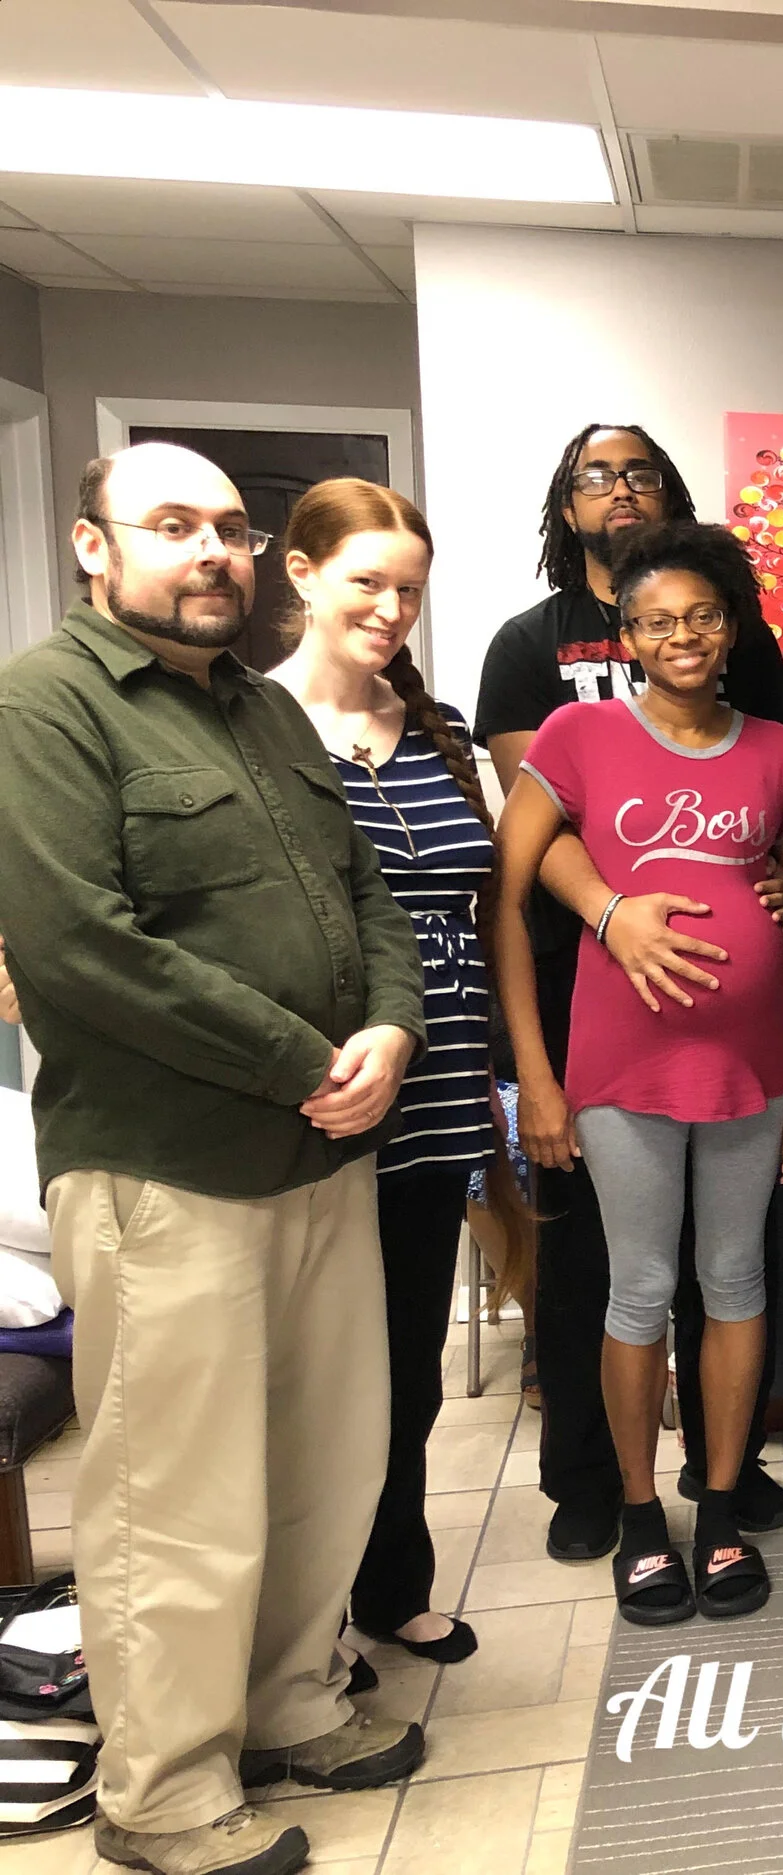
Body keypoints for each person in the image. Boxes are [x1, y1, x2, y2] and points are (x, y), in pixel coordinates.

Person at [0, 443, 429, 1875]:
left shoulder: (259, 710)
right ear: (90, 543)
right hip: (166, 1167)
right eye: (173, 525)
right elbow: (78, 948)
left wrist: (387, 1023)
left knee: (324, 1452)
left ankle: (290, 1699)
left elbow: (364, 888)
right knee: (173, 1491)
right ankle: (167, 1785)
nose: (213, 553)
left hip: (322, 1156)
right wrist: (305, 1060)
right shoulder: (43, 706)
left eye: (232, 529)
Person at [475, 422, 783, 1563]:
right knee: (615, 1279)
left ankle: (720, 1494)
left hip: (746, 1058)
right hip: (601, 1026)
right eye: (595, 477)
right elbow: (521, 867)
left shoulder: (757, 703)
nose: (683, 635)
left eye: (639, 472)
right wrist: (609, 922)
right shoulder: (542, 667)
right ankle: (609, 1497)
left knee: (733, 1277)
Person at [268, 479, 527, 1670]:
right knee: (313, 1382)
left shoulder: (436, 729)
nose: (389, 608)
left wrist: (489, 1069)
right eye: (366, 580)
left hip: (438, 1101)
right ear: (302, 573)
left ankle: (390, 1585)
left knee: (406, 1368)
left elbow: (478, 910)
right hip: (323, 1102)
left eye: (408, 589)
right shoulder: (257, 729)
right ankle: (299, 1622)